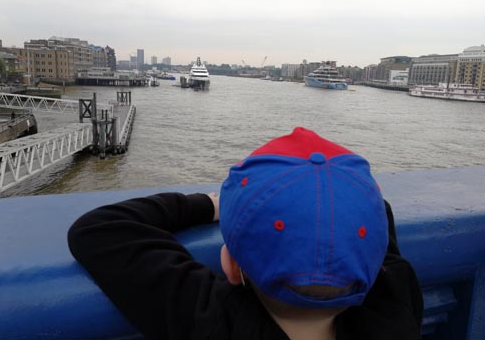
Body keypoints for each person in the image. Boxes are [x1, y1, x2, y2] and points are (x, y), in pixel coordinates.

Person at [68, 127, 423, 340]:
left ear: (232, 268)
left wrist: (211, 205)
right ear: (376, 270)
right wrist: (336, 189)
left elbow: (101, 229)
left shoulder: (211, 323)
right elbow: (377, 216)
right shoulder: (395, 308)